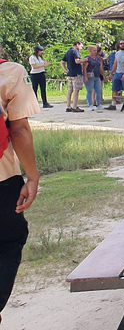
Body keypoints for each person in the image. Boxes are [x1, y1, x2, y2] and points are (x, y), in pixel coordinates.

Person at [0, 56, 41, 324]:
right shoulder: (9, 72)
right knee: (7, 244)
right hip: (2, 180)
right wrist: (33, 176)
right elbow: (20, 130)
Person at [107, 40, 124, 111]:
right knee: (114, 88)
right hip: (117, 72)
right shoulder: (117, 53)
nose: (122, 45)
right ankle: (113, 104)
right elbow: (115, 64)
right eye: (121, 44)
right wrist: (111, 73)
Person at [60, 41, 85, 113]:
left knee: (70, 90)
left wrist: (66, 70)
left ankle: (68, 106)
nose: (81, 48)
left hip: (70, 73)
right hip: (76, 73)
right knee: (76, 90)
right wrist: (84, 60)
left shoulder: (68, 51)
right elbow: (77, 61)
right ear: (77, 45)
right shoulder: (75, 51)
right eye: (81, 46)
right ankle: (74, 106)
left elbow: (62, 62)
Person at [82, 46, 105, 111]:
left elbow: (100, 68)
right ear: (90, 51)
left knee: (98, 90)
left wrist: (104, 75)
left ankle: (98, 104)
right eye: (94, 50)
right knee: (89, 90)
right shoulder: (87, 58)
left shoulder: (98, 58)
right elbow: (84, 68)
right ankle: (90, 105)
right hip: (90, 76)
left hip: (97, 76)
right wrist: (85, 77)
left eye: (96, 50)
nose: (95, 52)